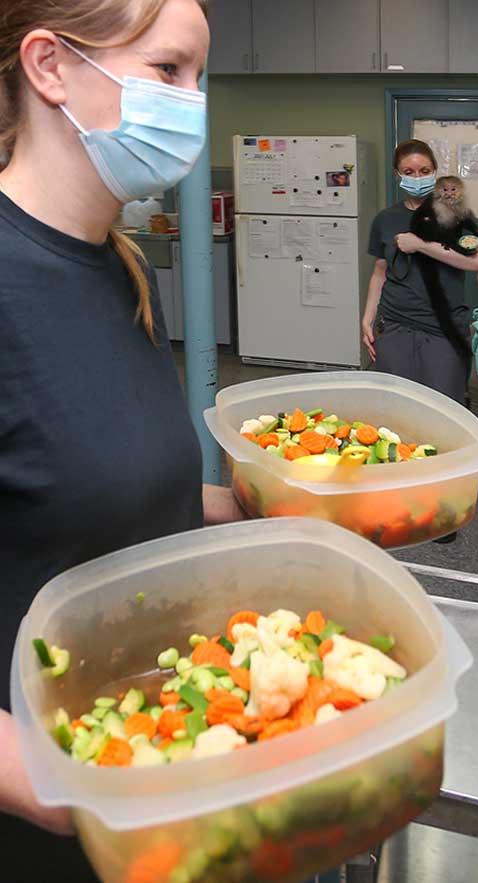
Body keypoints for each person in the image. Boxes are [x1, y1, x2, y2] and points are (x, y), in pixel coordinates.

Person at [0, 1, 240, 879]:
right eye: (169, 71)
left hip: (159, 788)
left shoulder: (122, 268)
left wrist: (242, 505)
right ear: (50, 66)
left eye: (199, 77)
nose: (193, 101)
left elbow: (97, 490)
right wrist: (48, 777)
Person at [362, 139, 478, 404]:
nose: (417, 177)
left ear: (434, 172)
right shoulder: (385, 219)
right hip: (394, 324)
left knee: (443, 410)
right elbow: (380, 271)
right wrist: (368, 317)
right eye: (408, 172)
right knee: (395, 409)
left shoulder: (454, 212)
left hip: (442, 328)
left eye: (424, 171)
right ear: (397, 174)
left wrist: (421, 245)